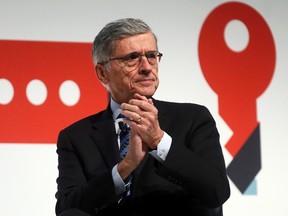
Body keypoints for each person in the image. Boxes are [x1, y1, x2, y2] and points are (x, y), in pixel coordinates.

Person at [55, 18, 230, 216]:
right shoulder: (77, 137)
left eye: (152, 56)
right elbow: (67, 208)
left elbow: (217, 191)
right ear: (103, 73)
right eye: (132, 58)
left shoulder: (193, 119)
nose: (146, 67)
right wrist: (124, 168)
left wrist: (159, 141)